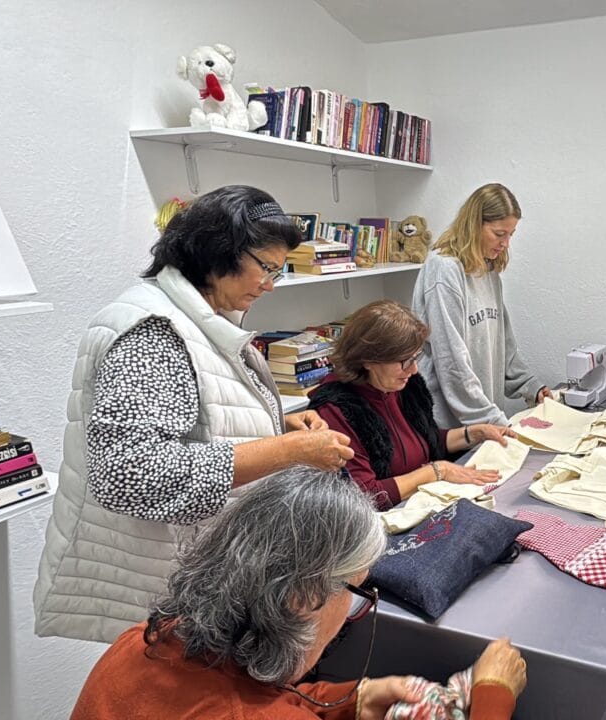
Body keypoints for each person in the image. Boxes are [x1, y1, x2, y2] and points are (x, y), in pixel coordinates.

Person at [35, 186, 356, 644]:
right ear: (217, 251)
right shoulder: (153, 332)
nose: (270, 284)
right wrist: (288, 451)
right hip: (158, 577)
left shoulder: (197, 317)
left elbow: (193, 417)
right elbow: (130, 472)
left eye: (278, 271)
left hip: (183, 568)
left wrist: (272, 425)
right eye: (266, 268)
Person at [69, 466, 527, 719]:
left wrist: (354, 700)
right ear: (302, 598)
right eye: (355, 590)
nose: (353, 608)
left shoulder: (142, 642)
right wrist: (493, 695)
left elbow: (250, 692)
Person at [308, 300, 517, 511]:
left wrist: (474, 432)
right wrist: (437, 471)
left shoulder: (401, 387)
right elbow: (367, 495)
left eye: (415, 357)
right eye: (405, 361)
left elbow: (425, 441)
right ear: (368, 360)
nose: (414, 369)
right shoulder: (335, 410)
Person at [411, 183, 551, 427]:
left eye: (511, 234)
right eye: (499, 234)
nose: (506, 243)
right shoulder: (444, 269)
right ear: (474, 224)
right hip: (448, 424)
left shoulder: (488, 269)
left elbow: (502, 344)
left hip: (482, 418)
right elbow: (451, 359)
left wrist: (531, 387)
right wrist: (494, 421)